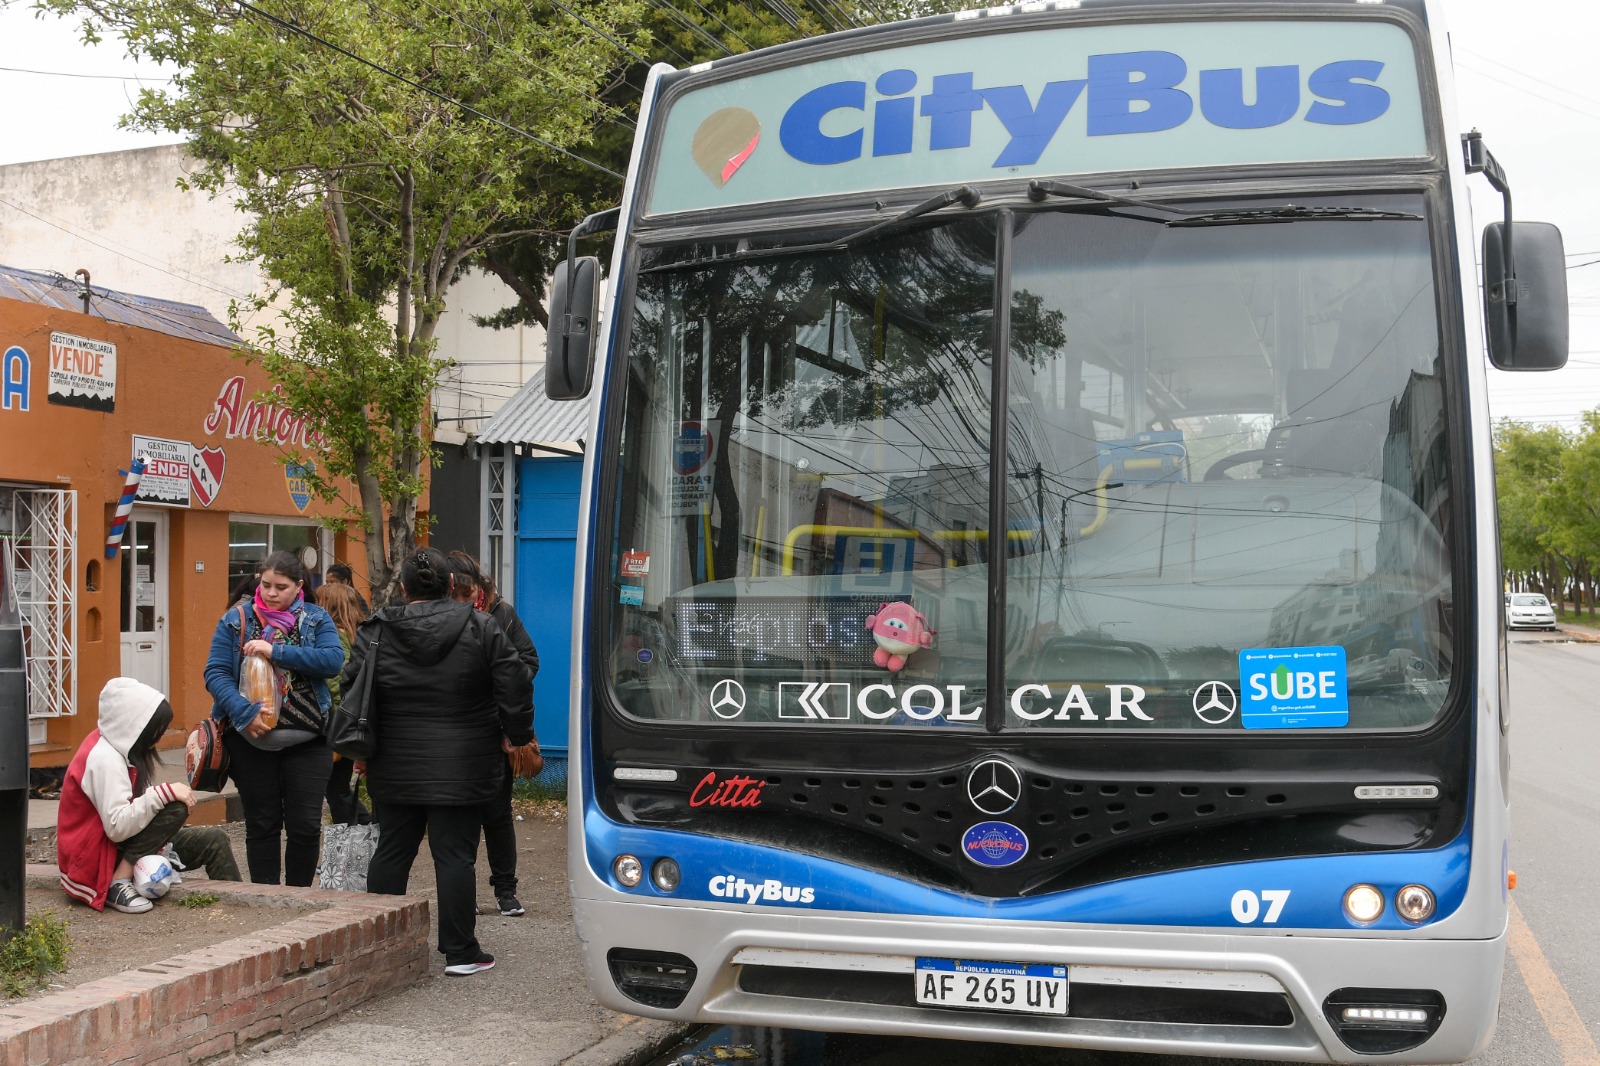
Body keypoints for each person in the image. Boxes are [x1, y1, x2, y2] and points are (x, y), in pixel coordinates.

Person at [349, 547, 533, 976]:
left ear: (405, 587)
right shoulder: (482, 626)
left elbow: (354, 686)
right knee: (454, 856)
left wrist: (364, 749)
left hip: (394, 760)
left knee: (392, 850)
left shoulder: (376, 630)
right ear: (452, 585)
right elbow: (516, 682)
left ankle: (383, 948)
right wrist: (516, 734)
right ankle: (460, 951)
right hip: (464, 763)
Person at [203, 549, 344, 886]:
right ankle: (265, 898)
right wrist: (242, 712)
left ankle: (298, 898)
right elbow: (216, 674)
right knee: (262, 824)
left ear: (299, 586)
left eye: (280, 587)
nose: (270, 593)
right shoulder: (236, 621)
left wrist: (275, 651)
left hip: (309, 743)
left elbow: (332, 661)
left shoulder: (315, 619)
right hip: (250, 741)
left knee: (305, 826)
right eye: (265, 584)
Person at [58, 677, 240, 912]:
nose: (159, 736)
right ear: (135, 725)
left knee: (215, 840)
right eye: (156, 729)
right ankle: (118, 882)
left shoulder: (116, 745)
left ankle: (237, 905)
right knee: (176, 806)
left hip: (118, 845)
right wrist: (162, 794)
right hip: (96, 859)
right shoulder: (104, 758)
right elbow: (117, 827)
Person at [448, 550, 541, 917]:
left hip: (497, 724)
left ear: (478, 587)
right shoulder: (439, 615)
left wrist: (501, 680)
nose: (464, 600)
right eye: (455, 593)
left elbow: (529, 661)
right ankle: (462, 893)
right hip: (456, 728)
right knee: (461, 816)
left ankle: (506, 890)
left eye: (468, 592)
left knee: (498, 813)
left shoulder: (501, 613)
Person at [317, 581, 371, 826]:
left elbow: (336, 682)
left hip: (339, 724)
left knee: (336, 789)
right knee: (337, 788)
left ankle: (359, 833)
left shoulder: (336, 638)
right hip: (350, 722)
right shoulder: (357, 635)